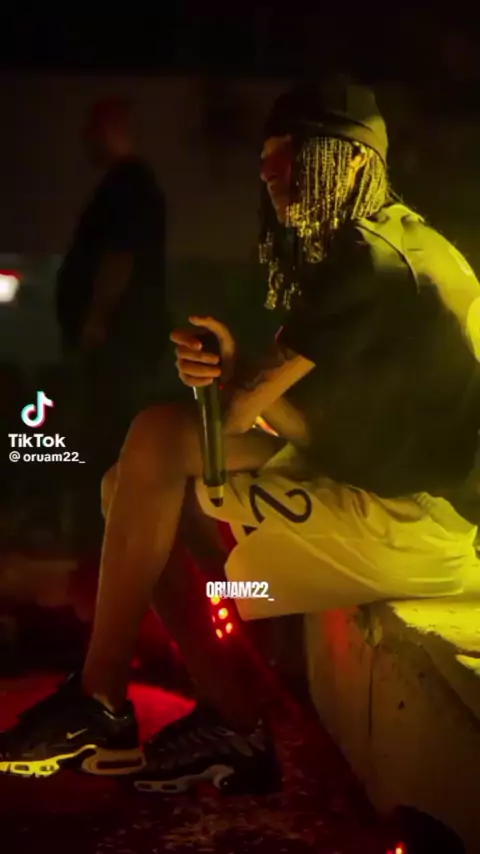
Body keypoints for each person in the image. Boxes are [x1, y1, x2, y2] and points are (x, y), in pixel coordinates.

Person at [2, 77, 480, 795]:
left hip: (412, 525)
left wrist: (230, 378)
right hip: (392, 490)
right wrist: (233, 373)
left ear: (351, 158)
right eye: (265, 154)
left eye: (290, 152)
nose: (268, 171)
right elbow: (311, 422)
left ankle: (134, 704)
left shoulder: (371, 257)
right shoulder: (394, 240)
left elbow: (238, 416)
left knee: (155, 476)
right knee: (138, 471)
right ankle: (176, 709)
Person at [56, 97, 168, 494]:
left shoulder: (127, 185)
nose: (86, 138)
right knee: (111, 432)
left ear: (112, 130)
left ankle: (110, 516)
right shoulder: (128, 184)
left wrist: (97, 320)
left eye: (93, 129)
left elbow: (120, 256)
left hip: (120, 343)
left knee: (110, 434)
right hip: (122, 341)